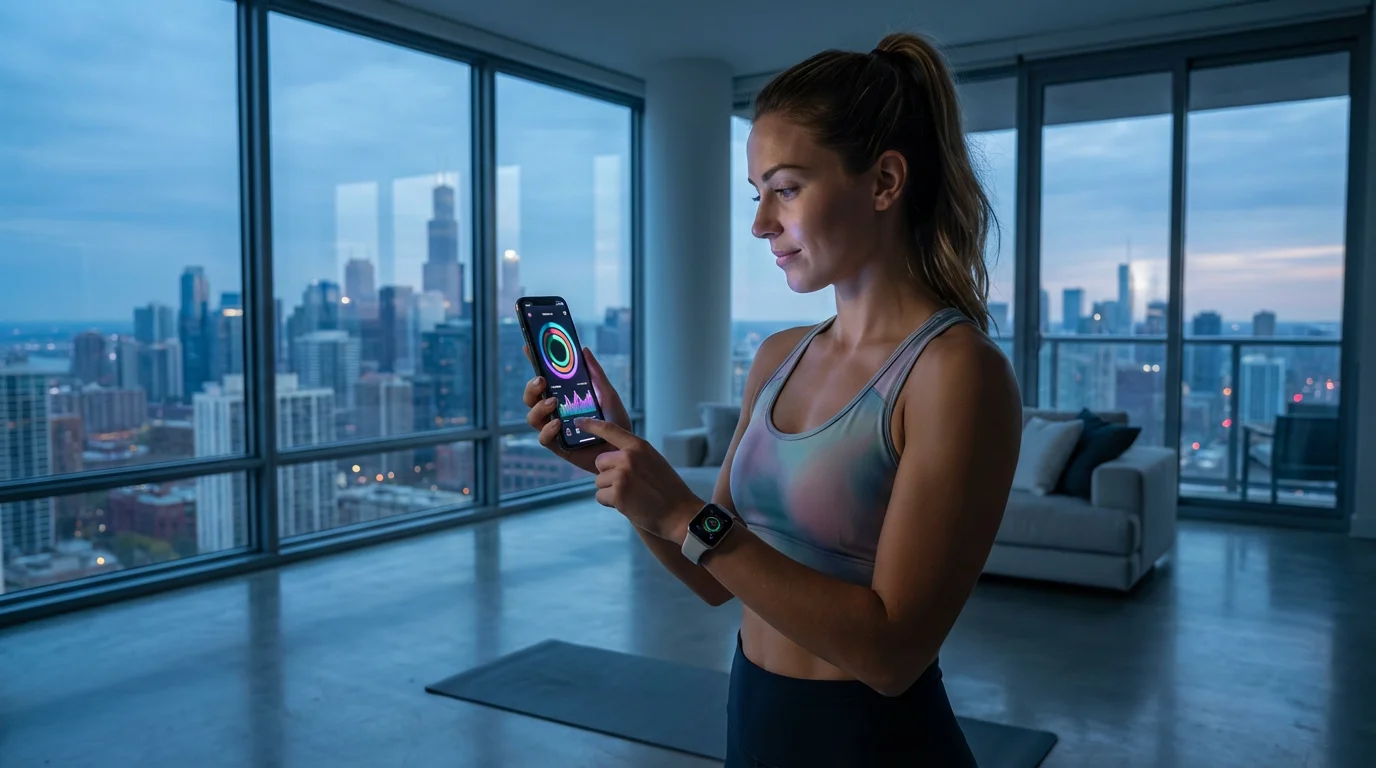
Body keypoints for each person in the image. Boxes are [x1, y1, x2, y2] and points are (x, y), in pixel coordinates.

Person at [522, 32, 1022, 767]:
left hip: (874, 745)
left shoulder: (956, 373)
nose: (760, 224)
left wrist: (681, 511)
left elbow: (892, 655)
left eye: (786, 189)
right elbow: (712, 575)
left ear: (884, 182)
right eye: (757, 195)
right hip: (754, 719)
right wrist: (627, 476)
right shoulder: (777, 357)